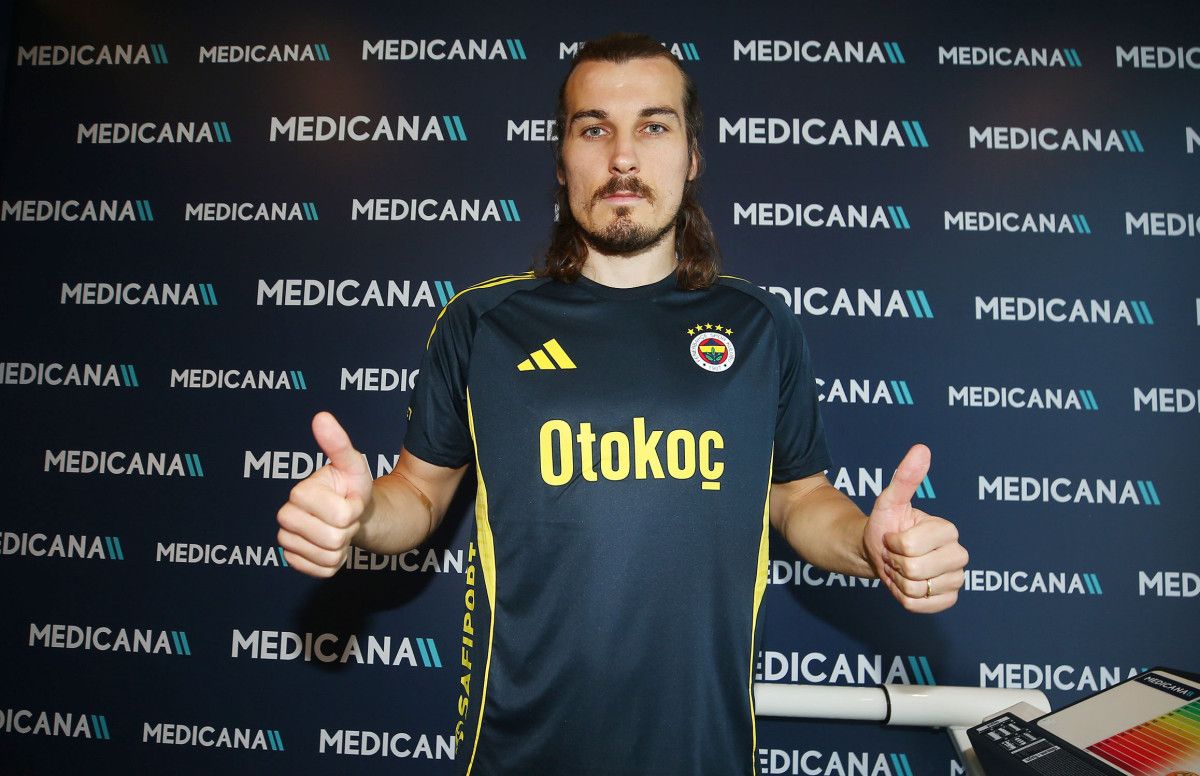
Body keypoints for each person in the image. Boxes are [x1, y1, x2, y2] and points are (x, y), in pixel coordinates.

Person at [276, 33, 968, 776]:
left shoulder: (760, 325)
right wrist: (357, 518)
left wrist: (870, 545)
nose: (624, 157)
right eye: (594, 128)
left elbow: (798, 497)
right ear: (562, 157)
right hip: (517, 752)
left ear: (692, 155)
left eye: (654, 126)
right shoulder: (481, 323)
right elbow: (417, 493)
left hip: (704, 755)